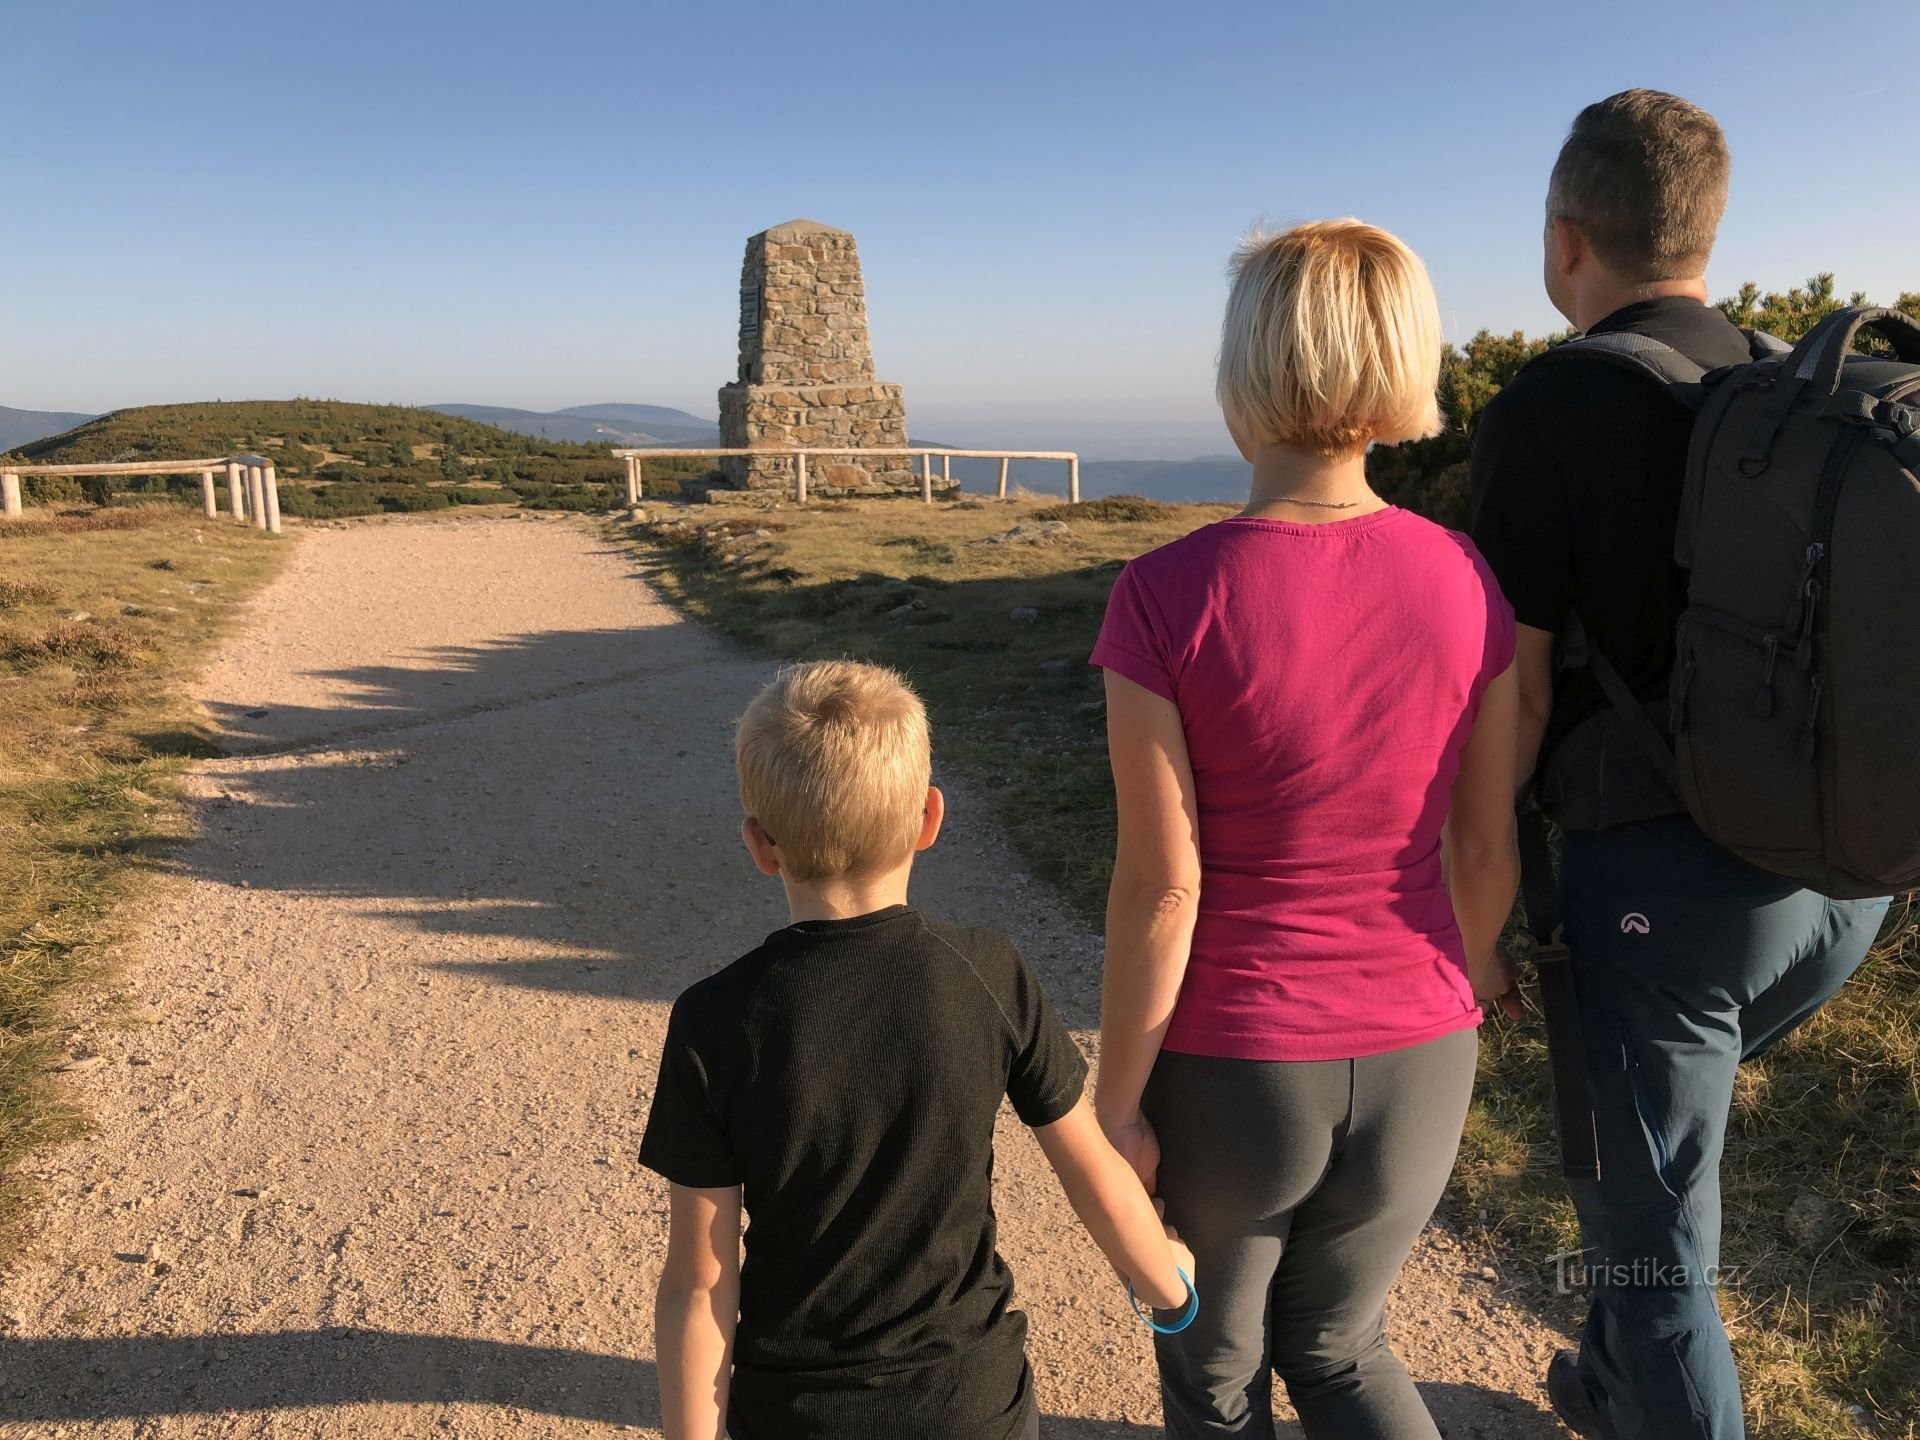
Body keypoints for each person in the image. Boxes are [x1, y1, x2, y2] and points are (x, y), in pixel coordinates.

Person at [1467, 90, 1889, 1440]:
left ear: (1566, 235)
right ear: (1708, 232)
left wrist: (1479, 925)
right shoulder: (1790, 384)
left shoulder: (1544, 410)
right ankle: (1603, 1388)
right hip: (1854, 886)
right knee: (1649, 1178)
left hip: (1664, 907)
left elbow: (1512, 706)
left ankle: (1645, 1374)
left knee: (1653, 1258)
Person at [1093, 220, 1523, 1439]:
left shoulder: (1167, 594)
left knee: (1215, 1368)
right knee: (1343, 1349)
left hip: (1237, 1061)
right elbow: (1484, 851)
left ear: (1246, 369)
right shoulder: (1465, 576)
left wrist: (1119, 1104)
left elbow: (1162, 889)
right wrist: (1454, 987)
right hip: (1424, 1051)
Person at [640, 659, 1196, 1440]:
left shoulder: (714, 1020)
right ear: (929, 819)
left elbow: (702, 1282)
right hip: (971, 1402)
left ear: (760, 845)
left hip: (797, 1415)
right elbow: (1092, 1169)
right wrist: (1167, 1282)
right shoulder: (987, 972)